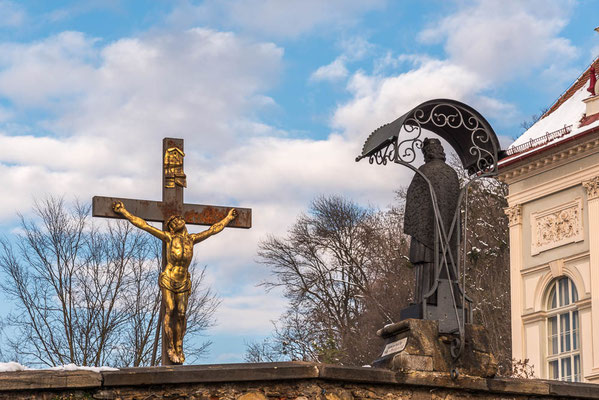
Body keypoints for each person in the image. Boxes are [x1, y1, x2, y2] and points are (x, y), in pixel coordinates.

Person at [113, 201, 237, 364]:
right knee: (170, 309)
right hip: (169, 278)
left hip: (184, 280)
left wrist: (228, 218)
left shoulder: (191, 239)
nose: (178, 220)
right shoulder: (169, 238)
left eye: (179, 219)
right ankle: (170, 346)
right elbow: (144, 225)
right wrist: (124, 212)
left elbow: (212, 230)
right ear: (171, 227)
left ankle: (179, 345)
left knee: (181, 314)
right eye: (174, 221)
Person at [404, 138, 460, 305]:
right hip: (450, 236)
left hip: (426, 235)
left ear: (427, 153)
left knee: (427, 266)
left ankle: (425, 300)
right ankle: (451, 302)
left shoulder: (423, 171)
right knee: (447, 267)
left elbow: (413, 202)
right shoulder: (452, 173)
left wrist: (418, 229)